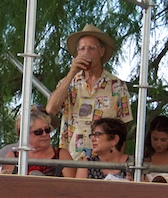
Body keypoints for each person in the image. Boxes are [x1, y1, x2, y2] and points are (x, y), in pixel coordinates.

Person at [46, 24, 133, 160]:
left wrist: (118, 163)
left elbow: (123, 127)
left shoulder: (117, 85)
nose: (86, 52)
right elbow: (51, 109)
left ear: (101, 51)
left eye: (91, 48)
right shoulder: (69, 83)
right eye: (82, 49)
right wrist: (71, 73)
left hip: (105, 161)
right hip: (72, 158)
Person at [2, 108, 75, 177]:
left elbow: (72, 186)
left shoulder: (62, 155)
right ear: (24, 134)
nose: (44, 134)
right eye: (38, 132)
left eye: (47, 130)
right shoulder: (12, 157)